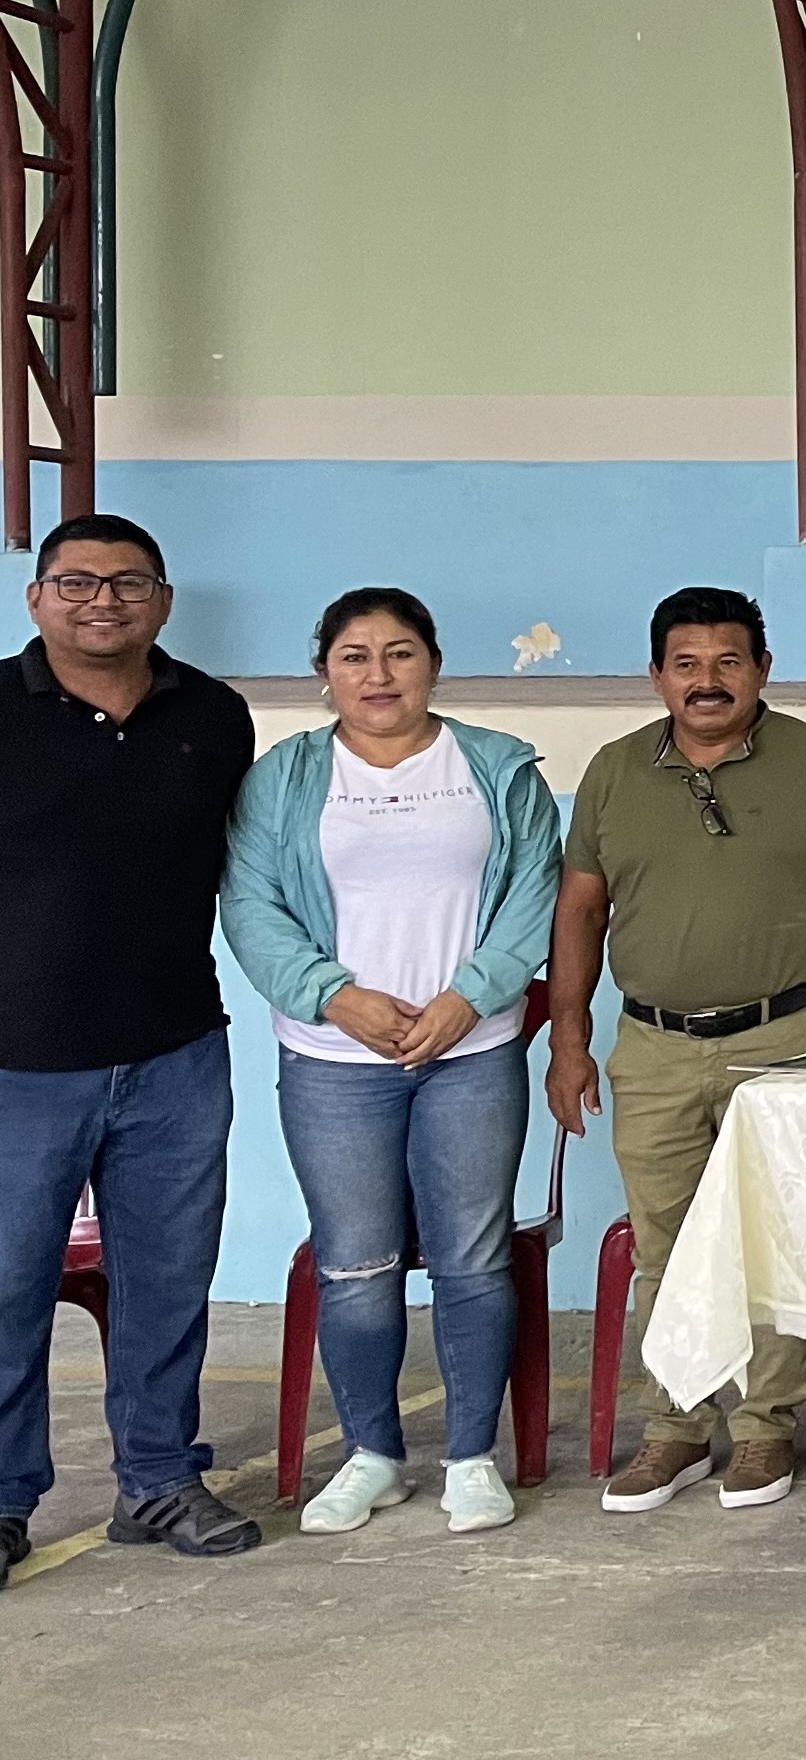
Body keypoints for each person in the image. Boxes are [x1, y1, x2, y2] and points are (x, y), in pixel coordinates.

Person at [220, 587, 563, 1537]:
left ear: (433, 665)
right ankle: (373, 1455)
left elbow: (536, 891)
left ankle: (471, 1459)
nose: (379, 675)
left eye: (401, 653)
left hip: (471, 1053)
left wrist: (468, 998)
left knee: (473, 1260)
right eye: (355, 656)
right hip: (334, 1060)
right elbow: (249, 904)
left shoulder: (495, 767)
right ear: (324, 672)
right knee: (356, 1266)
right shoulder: (284, 778)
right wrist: (335, 996)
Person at [556, 587, 806, 1518]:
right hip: (653, 1046)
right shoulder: (614, 771)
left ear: (762, 670)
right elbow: (580, 908)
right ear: (657, 676)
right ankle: (675, 1428)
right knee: (666, 1247)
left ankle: (763, 1429)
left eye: (727, 662)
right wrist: (570, 1039)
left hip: (788, 1039)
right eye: (686, 664)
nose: (706, 682)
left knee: (773, 1239)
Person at [0, 515, 262, 1577]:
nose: (102, 600)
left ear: (162, 600)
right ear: (36, 599)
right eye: (77, 582)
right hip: (19, 1063)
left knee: (166, 1282)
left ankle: (157, 1481)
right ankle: (4, 1500)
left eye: (128, 582)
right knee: (6, 1289)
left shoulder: (214, 715)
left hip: (175, 1053)